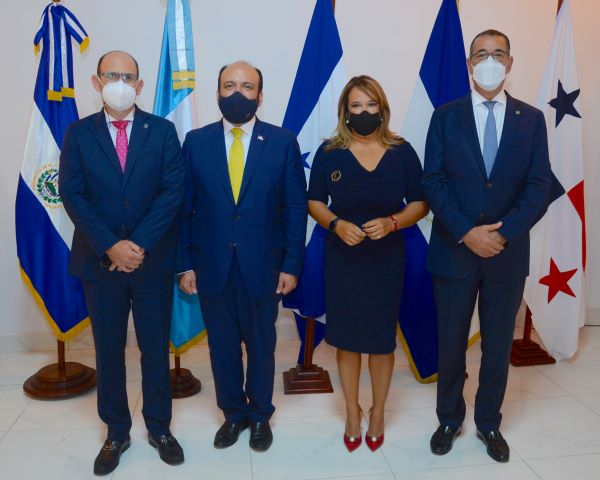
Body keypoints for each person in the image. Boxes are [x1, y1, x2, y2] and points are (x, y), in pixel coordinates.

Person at [423, 30, 551, 463]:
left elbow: (539, 185)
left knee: (497, 345)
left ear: (510, 62)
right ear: (469, 64)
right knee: (451, 343)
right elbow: (433, 181)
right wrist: (467, 232)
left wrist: (503, 232)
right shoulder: (445, 116)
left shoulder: (531, 119)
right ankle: (448, 419)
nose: (490, 61)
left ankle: (489, 422)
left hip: (506, 254)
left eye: (498, 54)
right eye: (481, 54)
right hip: (454, 250)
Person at [59, 50, 185, 476]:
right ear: (97, 82)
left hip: (152, 262)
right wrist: (111, 246)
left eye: (128, 76)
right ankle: (116, 431)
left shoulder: (162, 131)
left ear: (140, 85)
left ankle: (160, 428)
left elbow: (172, 192)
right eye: (111, 75)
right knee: (109, 351)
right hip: (100, 264)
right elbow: (73, 194)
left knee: (155, 349)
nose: (120, 83)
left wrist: (137, 245)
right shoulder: (78, 133)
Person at [178, 61, 307, 452]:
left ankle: (261, 415)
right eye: (229, 85)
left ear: (260, 96)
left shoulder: (282, 142)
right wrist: (185, 263)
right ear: (217, 93)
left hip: (263, 267)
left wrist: (291, 264)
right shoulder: (196, 142)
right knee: (222, 347)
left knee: (262, 346)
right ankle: (233, 414)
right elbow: (184, 208)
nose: (238, 93)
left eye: (247, 86)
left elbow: (294, 209)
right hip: (211, 266)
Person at [307, 75, 429, 453]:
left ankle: (378, 412)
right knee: (346, 340)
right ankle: (351, 411)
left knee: (380, 341)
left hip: (386, 258)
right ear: (345, 112)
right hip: (342, 257)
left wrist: (394, 222)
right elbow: (314, 201)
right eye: (356, 106)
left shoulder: (402, 151)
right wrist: (336, 224)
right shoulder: (330, 152)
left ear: (382, 109)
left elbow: (421, 202)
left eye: (371, 105)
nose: (364, 112)